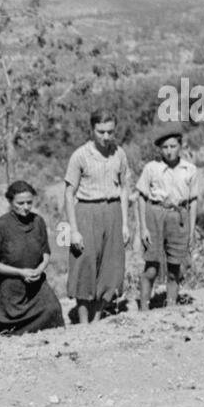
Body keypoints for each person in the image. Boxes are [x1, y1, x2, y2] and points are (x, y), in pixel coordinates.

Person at [63, 109, 132, 323]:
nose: (106, 137)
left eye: (110, 132)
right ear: (92, 130)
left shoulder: (119, 154)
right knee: (84, 263)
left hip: (112, 211)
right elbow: (68, 193)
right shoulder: (80, 155)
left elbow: (124, 188)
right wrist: (73, 230)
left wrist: (125, 224)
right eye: (101, 131)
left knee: (111, 266)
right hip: (86, 211)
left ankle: (98, 317)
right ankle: (84, 322)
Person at [0, 181, 66, 334]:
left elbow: (46, 251)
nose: (26, 207)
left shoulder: (38, 221)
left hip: (36, 284)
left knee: (53, 310)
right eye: (20, 203)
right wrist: (20, 272)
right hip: (11, 288)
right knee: (8, 326)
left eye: (29, 202)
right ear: (10, 202)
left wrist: (39, 269)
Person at [136, 128, 199, 310]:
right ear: (160, 149)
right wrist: (143, 228)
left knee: (174, 267)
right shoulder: (151, 168)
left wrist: (191, 229)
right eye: (165, 147)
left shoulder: (190, 169)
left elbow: (193, 201)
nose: (169, 150)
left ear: (180, 146)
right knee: (151, 267)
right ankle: (144, 308)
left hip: (178, 216)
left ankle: (170, 307)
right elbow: (141, 197)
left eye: (173, 146)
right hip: (155, 214)